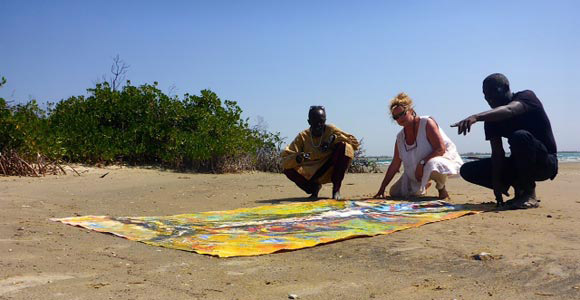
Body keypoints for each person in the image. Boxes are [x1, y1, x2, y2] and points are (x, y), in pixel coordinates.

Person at [451, 73, 558, 209]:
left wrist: (476, 117)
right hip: (518, 165)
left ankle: (529, 193)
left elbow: (510, 109)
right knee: (467, 170)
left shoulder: (527, 97)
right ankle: (518, 190)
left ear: (506, 87)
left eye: (492, 92)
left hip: (544, 163)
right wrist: (497, 184)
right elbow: (497, 153)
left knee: (520, 136)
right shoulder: (491, 118)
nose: (488, 98)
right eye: (485, 94)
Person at [374, 93, 463, 199]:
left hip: (437, 161)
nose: (400, 118)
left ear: (411, 111)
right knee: (395, 192)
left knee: (433, 164)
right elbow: (395, 164)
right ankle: (424, 184)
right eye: (396, 117)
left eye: (402, 113)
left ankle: (441, 188)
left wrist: (422, 163)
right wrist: (382, 188)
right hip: (415, 172)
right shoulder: (400, 137)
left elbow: (440, 149)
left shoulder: (426, 123)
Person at [281, 106, 359, 200]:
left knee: (345, 146)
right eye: (315, 122)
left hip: (330, 167)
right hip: (312, 171)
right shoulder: (303, 136)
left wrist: (333, 138)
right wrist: (298, 158)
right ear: (309, 122)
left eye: (321, 122)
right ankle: (313, 188)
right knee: (288, 170)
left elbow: (354, 143)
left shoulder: (330, 130)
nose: (319, 125)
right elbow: (285, 160)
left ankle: (336, 189)